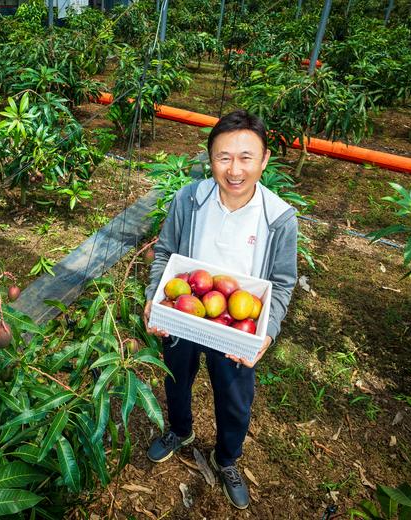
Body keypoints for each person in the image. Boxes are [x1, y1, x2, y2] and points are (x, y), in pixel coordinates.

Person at [143, 110, 298, 510]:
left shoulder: (278, 218)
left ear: (264, 160)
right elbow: (165, 253)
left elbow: (282, 283)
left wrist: (267, 331)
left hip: (237, 327)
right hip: (185, 313)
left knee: (235, 397)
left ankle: (227, 458)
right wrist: (154, 297)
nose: (234, 169)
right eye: (223, 157)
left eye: (246, 157)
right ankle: (181, 429)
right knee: (176, 377)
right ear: (210, 157)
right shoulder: (190, 199)